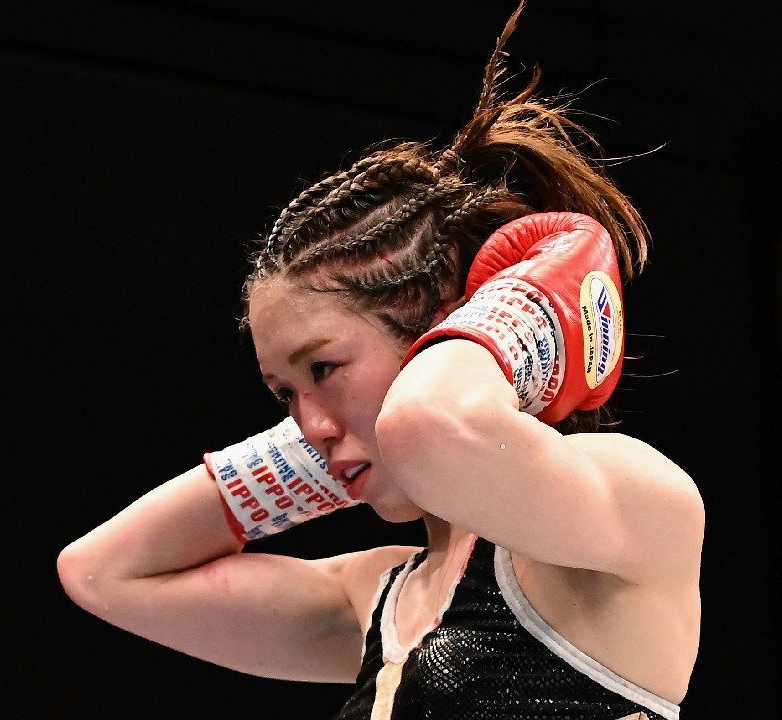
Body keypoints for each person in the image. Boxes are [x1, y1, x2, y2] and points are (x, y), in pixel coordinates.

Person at [56, 3, 704, 718]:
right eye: (284, 395)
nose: (307, 422)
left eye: (323, 370)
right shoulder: (370, 601)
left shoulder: (631, 505)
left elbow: (428, 425)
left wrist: (511, 315)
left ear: (447, 328)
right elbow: (101, 573)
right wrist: (335, 448)